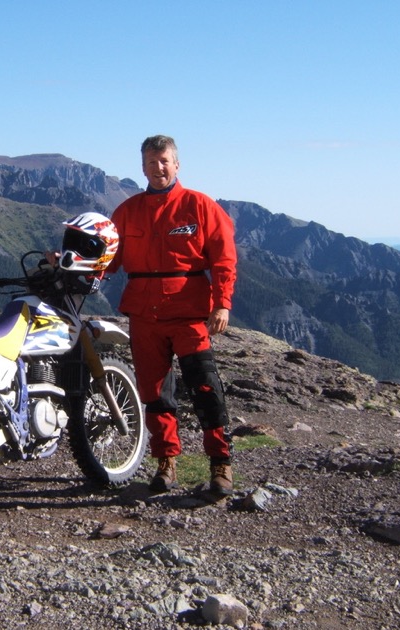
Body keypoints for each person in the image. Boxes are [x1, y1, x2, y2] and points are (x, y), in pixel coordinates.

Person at [104, 134, 237, 496]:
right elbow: (107, 260)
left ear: (176, 164)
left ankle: (220, 464)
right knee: (156, 393)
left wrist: (222, 303)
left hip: (190, 314)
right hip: (144, 315)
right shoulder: (127, 211)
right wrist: (69, 262)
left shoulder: (200, 206)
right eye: (150, 162)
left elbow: (224, 259)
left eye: (164, 161)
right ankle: (166, 463)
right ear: (142, 167)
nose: (157, 168)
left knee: (206, 389)